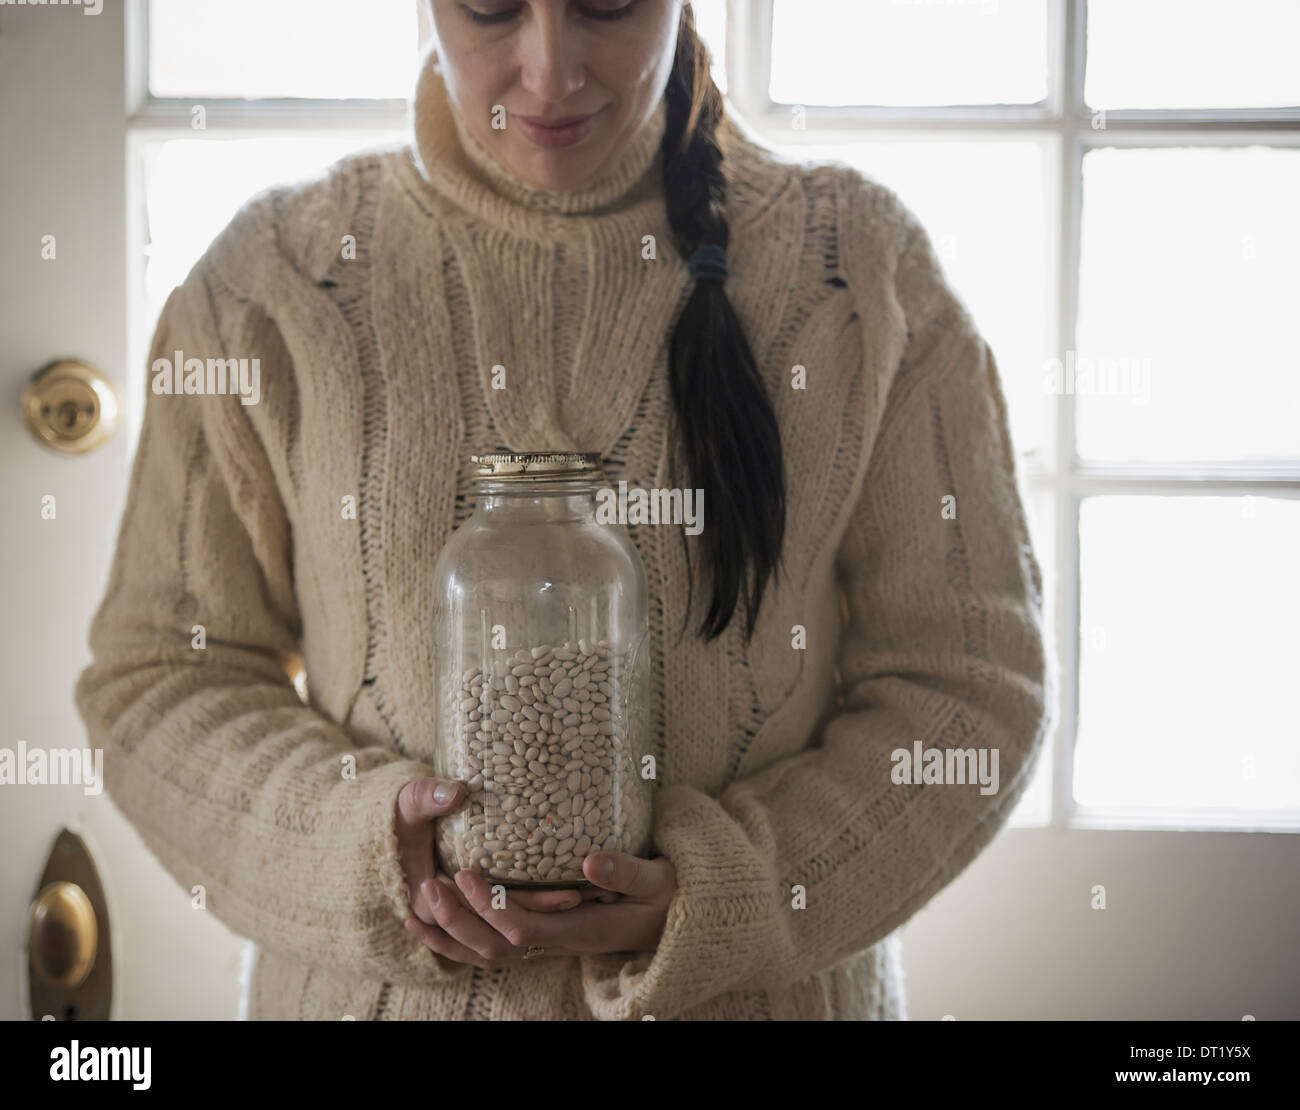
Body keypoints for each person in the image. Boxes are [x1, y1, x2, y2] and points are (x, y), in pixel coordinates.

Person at [75, 0, 1050, 1021]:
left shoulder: (856, 271)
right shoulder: (272, 283)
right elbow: (162, 680)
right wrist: (356, 850)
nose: (550, 73)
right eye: (492, 8)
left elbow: (969, 684)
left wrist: (733, 891)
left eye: (608, 5)